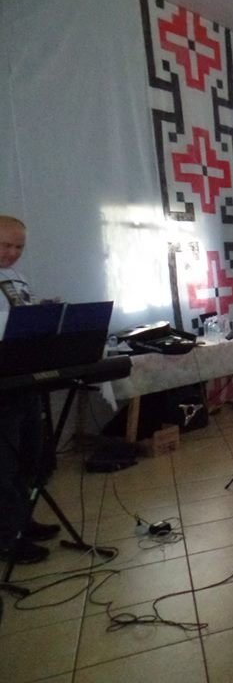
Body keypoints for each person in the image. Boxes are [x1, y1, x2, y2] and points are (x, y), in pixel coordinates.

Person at [0, 215, 60, 565]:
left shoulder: (17, 277)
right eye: (5, 245)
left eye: (19, 247)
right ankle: (7, 538)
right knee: (3, 464)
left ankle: (22, 521)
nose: (12, 253)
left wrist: (44, 314)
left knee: (29, 456)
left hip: (25, 377)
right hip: (3, 383)